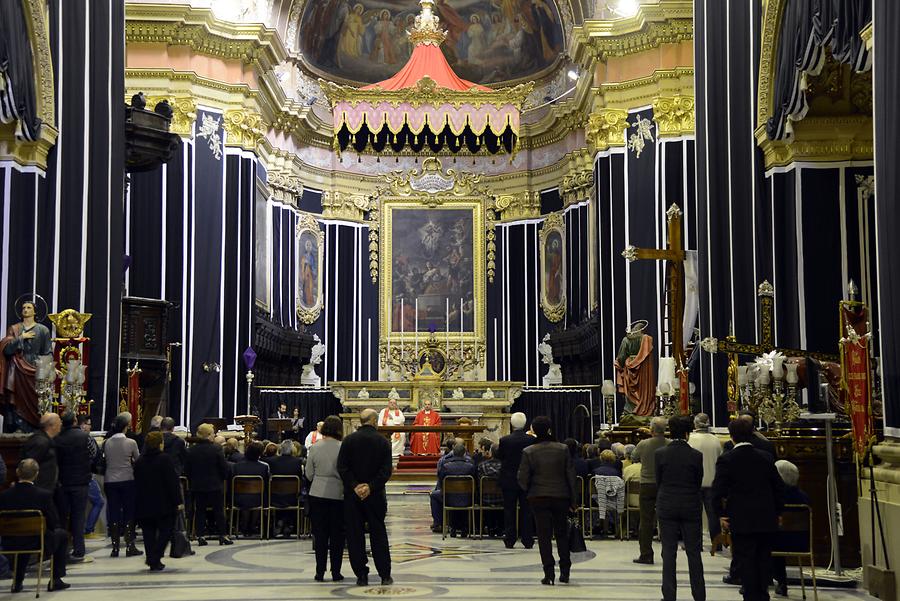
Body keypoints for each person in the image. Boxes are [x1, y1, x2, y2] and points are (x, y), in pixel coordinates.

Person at [713, 418, 785, 601]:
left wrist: (721, 515)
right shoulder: (766, 457)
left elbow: (718, 490)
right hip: (765, 517)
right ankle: (762, 595)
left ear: (731, 437)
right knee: (763, 558)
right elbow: (778, 487)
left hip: (741, 518)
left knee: (746, 559)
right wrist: (778, 512)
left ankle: (751, 595)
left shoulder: (727, 459)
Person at [336, 408, 393, 586]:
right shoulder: (383, 442)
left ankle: (361, 574)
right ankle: (384, 574)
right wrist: (371, 486)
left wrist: (355, 486)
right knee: (378, 533)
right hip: (375, 495)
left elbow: (342, 467)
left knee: (355, 534)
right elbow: (386, 471)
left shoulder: (348, 440)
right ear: (374, 421)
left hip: (353, 496)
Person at [517, 416, 576, 586]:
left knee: (543, 536)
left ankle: (548, 573)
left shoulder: (528, 451)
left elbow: (522, 477)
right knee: (561, 534)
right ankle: (565, 571)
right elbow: (571, 476)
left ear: (533, 431)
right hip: (561, 496)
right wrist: (574, 501)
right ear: (549, 429)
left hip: (538, 497)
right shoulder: (563, 449)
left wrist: (529, 491)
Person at [655, 416, 706, 601]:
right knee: (694, 553)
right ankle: (699, 595)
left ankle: (669, 595)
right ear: (687, 433)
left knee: (668, 552)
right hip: (690, 506)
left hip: (667, 504)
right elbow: (697, 481)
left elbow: (659, 481)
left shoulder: (660, 454)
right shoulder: (696, 455)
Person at [0, 459, 70, 592]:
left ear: (17, 472)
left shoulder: (4, 495)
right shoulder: (43, 495)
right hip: (38, 542)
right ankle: (55, 579)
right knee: (62, 535)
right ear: (36, 474)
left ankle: (18, 581)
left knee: (22, 536)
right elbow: (53, 521)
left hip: (10, 542)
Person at [0, 299, 52, 428]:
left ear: (34, 311)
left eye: (29, 307)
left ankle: (33, 428)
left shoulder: (43, 330)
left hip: (35, 371)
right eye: (23, 307)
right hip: (17, 370)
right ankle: (16, 426)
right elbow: (6, 349)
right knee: (16, 401)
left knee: (35, 403)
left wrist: (48, 368)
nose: (25, 310)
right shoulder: (14, 328)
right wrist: (21, 338)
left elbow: (47, 353)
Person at [134, 431, 181, 571]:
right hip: (163, 503)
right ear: (160, 444)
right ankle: (155, 556)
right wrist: (177, 500)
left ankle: (153, 560)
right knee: (166, 530)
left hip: (144, 503)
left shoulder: (140, 461)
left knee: (148, 533)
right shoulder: (165, 459)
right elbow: (172, 482)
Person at [306, 415, 345, 582]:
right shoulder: (343, 447)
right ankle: (336, 572)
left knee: (320, 535)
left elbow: (308, 474)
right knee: (337, 535)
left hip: (317, 493)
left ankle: (319, 571)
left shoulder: (314, 447)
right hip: (338, 494)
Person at [183, 423, 232, 546]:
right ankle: (223, 535)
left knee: (200, 510)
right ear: (209, 435)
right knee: (218, 511)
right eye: (213, 433)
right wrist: (223, 478)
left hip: (198, 485)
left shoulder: (191, 450)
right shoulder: (216, 449)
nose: (214, 435)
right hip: (215, 485)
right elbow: (224, 467)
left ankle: (200, 536)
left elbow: (187, 469)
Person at [103, 412, 142, 558]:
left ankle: (115, 547)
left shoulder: (107, 442)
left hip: (110, 480)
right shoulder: (131, 442)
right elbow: (137, 460)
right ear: (126, 427)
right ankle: (130, 545)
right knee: (128, 511)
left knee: (113, 511)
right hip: (127, 479)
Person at [54, 411, 92, 561]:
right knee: (78, 517)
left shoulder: (57, 438)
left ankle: (62, 550)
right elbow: (93, 453)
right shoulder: (84, 437)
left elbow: (55, 459)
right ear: (75, 421)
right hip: (81, 481)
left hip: (63, 482)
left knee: (62, 517)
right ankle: (79, 549)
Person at [631, 416, 669, 564]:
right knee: (665, 520)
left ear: (651, 429)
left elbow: (634, 457)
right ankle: (667, 552)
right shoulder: (669, 444)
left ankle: (646, 554)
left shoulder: (643, 444)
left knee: (646, 521)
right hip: (664, 485)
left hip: (647, 484)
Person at [495, 411, 535, 549]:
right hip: (526, 479)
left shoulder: (505, 440)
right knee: (526, 510)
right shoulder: (531, 440)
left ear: (512, 424)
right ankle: (527, 539)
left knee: (509, 510)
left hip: (509, 479)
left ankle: (510, 539)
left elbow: (500, 456)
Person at [772, 460, 811, 598]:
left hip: (777, 544)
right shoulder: (805, 497)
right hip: (802, 543)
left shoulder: (775, 497)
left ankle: (773, 580)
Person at [688, 412, 723, 548]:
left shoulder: (691, 439)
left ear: (696, 424)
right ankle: (717, 543)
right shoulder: (715, 440)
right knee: (713, 515)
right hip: (713, 481)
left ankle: (696, 543)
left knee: (695, 515)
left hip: (696, 482)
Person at [430, 443, 475, 536]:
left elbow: (441, 481)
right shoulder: (470, 466)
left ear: (453, 453)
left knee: (434, 495)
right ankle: (466, 526)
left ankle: (438, 524)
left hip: (448, 498)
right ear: (464, 454)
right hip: (468, 498)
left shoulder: (446, 466)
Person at [231, 441, 270, 537]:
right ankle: (252, 526)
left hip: (239, 498)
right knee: (258, 496)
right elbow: (266, 483)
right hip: (258, 498)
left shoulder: (236, 466)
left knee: (247, 499)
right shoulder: (264, 467)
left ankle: (245, 527)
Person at [77, 415, 105, 538]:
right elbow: (94, 454)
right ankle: (88, 530)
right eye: (88, 423)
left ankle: (79, 531)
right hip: (87, 474)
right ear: (82, 425)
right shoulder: (86, 438)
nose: (90, 426)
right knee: (99, 501)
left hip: (74, 475)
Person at [20, 412, 61, 492]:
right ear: (52, 425)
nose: (61, 424)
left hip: (46, 488)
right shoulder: (40, 442)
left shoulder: (46, 440)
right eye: (59, 422)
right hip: (39, 489)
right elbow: (29, 467)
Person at [476, 441, 503, 536]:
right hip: (502, 498)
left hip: (485, 498)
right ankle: (500, 527)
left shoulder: (482, 465)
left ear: (491, 453)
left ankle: (489, 527)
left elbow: (479, 482)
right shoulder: (504, 466)